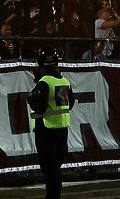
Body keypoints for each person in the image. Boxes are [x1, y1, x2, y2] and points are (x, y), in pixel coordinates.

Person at [27, 46, 75, 199]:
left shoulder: (44, 82)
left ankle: (51, 196)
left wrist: (30, 99)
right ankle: (56, 195)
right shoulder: (64, 81)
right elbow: (70, 103)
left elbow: (40, 107)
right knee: (56, 167)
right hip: (62, 127)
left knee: (48, 167)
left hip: (46, 128)